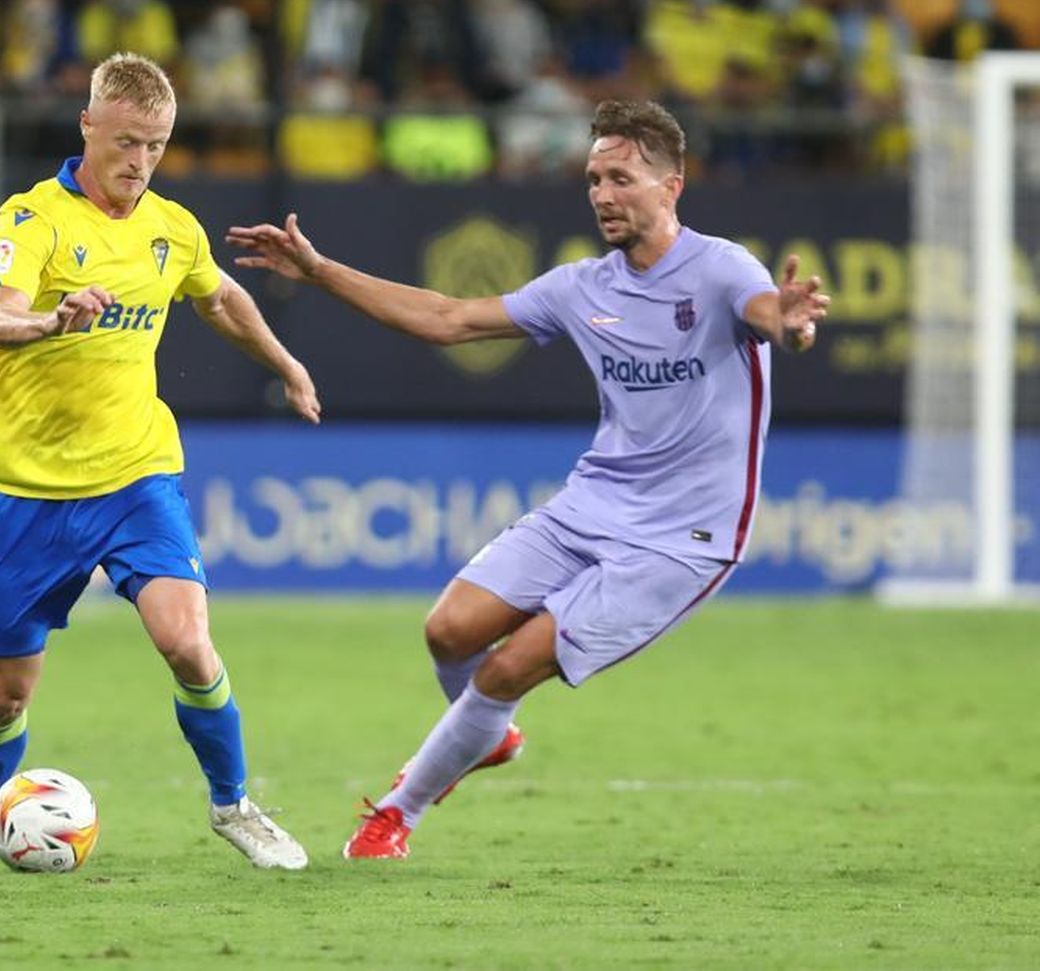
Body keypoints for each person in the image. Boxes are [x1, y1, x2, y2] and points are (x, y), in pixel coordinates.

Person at [227, 100, 830, 860]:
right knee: (448, 630)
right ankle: (485, 733)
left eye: (622, 177)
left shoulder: (721, 269)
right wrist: (318, 272)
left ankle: (394, 814)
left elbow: (772, 316)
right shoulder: (583, 287)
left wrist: (795, 321)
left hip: (685, 536)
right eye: (593, 179)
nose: (603, 194)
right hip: (595, 501)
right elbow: (448, 317)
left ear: (672, 185)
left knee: (508, 665)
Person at [0, 52, 319, 871]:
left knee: (188, 639)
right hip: (27, 493)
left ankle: (235, 804)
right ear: (87, 125)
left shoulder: (171, 226)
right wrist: (53, 321)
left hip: (134, 477)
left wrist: (285, 362)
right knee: (6, 690)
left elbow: (220, 296)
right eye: (126, 141)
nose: (140, 161)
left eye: (156, 145)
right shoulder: (33, 219)